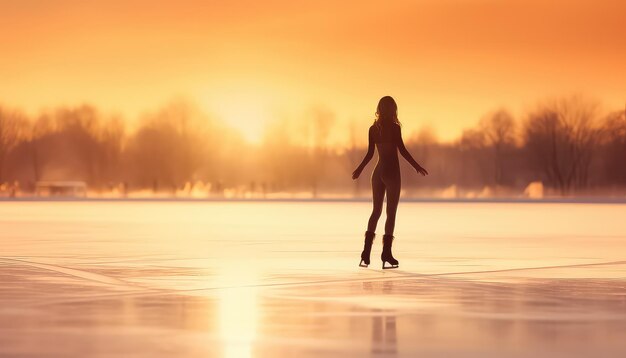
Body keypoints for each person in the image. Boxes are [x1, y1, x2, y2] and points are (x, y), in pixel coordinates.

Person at [352, 96, 428, 269]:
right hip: (392, 172)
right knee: (390, 213)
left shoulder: (373, 129)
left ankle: (365, 253)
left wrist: (359, 169)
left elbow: (370, 154)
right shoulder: (394, 128)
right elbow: (402, 150)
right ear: (393, 109)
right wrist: (417, 166)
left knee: (376, 211)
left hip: (377, 172)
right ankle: (386, 253)